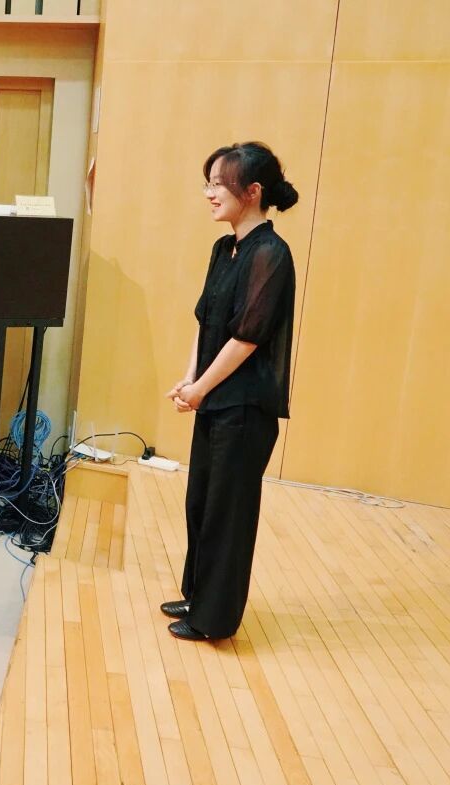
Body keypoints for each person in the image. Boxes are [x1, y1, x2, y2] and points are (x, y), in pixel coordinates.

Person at [162, 142, 298, 641]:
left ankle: (214, 620)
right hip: (215, 398)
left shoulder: (271, 255)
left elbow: (246, 338)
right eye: (209, 183)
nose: (209, 193)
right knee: (201, 502)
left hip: (245, 407)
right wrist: (189, 379)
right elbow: (207, 321)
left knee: (229, 513)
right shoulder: (225, 249)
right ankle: (198, 595)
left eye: (219, 184)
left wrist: (200, 389)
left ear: (253, 191)